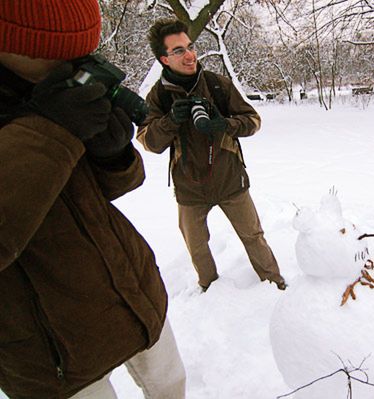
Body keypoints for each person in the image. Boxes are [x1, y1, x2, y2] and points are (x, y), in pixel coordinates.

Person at [0, 1, 186, 397]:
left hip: (132, 296)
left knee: (171, 385)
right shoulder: (48, 106)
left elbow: (104, 192)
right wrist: (49, 131)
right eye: (59, 53)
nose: (76, 66)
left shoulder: (53, 87)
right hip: (51, 349)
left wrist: (113, 155)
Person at [138, 19, 286, 292]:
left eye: (190, 47)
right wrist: (170, 120)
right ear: (164, 59)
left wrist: (225, 125)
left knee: (254, 237)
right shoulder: (158, 96)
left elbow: (253, 120)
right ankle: (210, 292)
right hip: (189, 187)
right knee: (196, 247)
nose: (190, 55)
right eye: (179, 51)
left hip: (230, 178)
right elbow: (147, 141)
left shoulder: (218, 85)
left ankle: (275, 285)